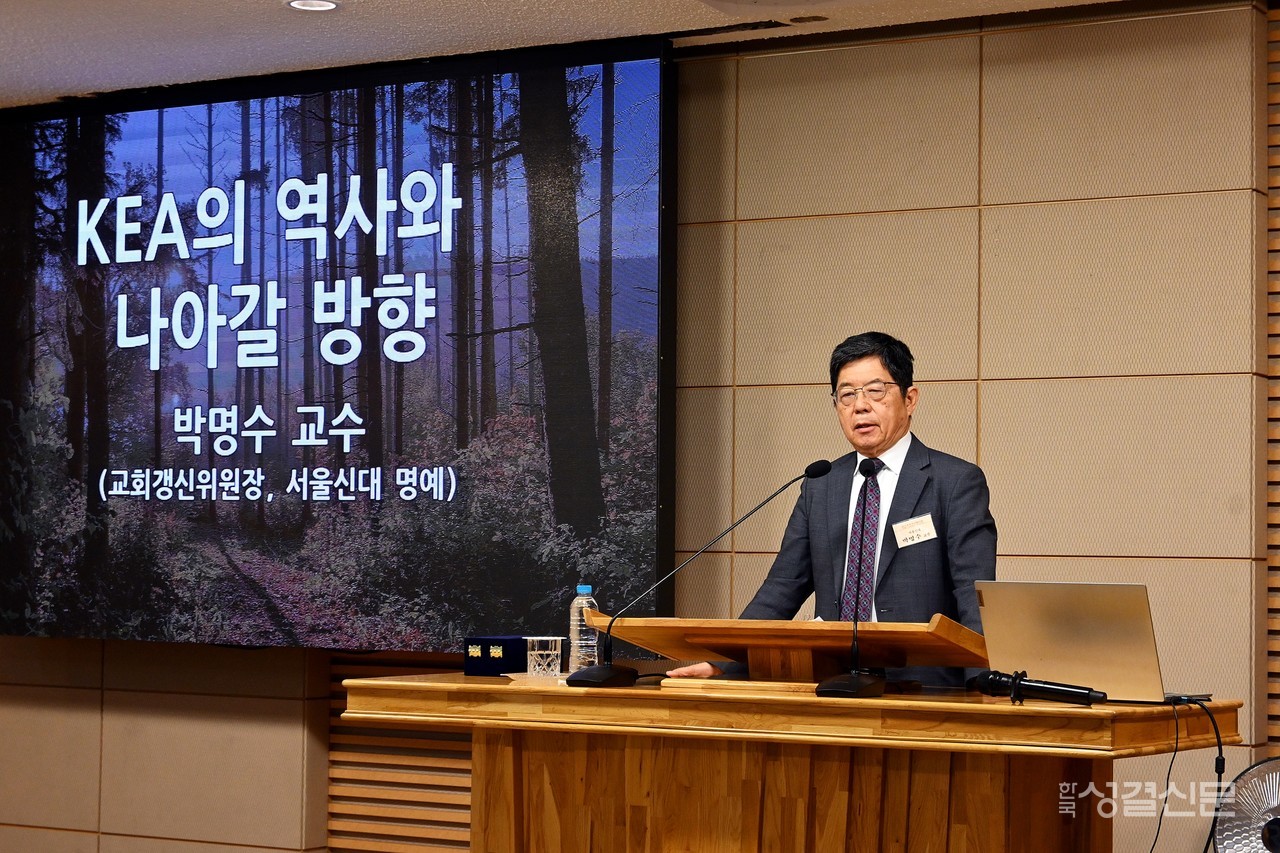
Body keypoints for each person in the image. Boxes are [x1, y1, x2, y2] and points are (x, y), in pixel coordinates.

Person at [667, 331, 996, 688]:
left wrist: (985, 681)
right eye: (847, 394)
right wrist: (727, 663)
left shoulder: (955, 481)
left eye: (875, 391)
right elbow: (782, 588)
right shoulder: (821, 483)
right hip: (832, 683)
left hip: (926, 688)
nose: (860, 406)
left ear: (910, 398)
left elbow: (973, 594)